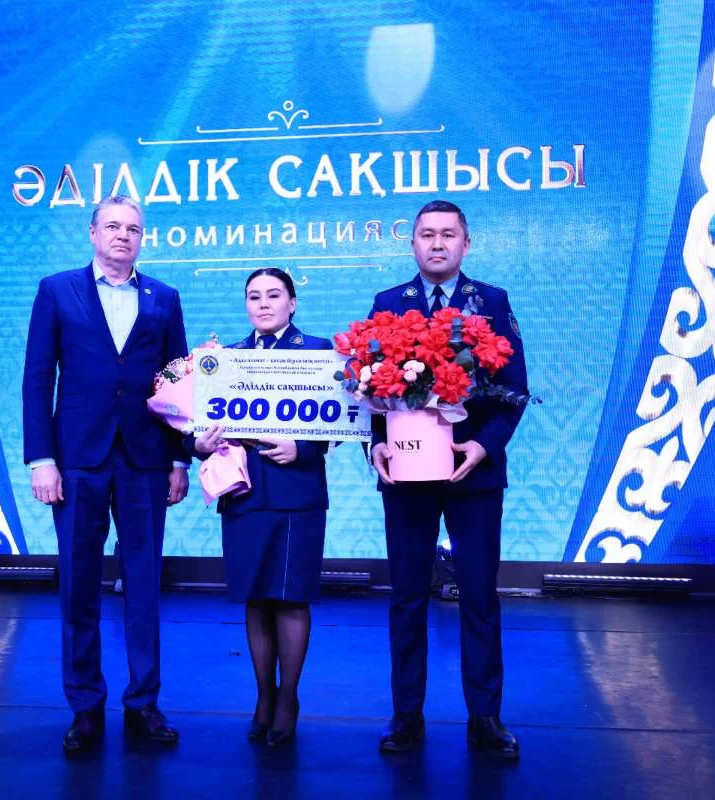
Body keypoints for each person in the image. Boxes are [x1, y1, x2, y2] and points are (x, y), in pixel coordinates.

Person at [22, 195, 190, 752]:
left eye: (133, 229)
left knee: (144, 585)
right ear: (92, 233)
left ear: (142, 238)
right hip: (76, 460)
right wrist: (41, 459)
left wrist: (179, 459)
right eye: (113, 226)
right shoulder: (56, 290)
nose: (123, 235)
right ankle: (85, 706)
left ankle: (143, 704)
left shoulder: (165, 298)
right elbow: (37, 378)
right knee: (78, 585)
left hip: (146, 460)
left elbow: (178, 383)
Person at [368, 200, 528, 760]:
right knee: (407, 597)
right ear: (412, 243)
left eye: (448, 234)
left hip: (473, 475)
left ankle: (485, 716)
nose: (437, 244)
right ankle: (406, 715)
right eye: (427, 235)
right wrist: (375, 444)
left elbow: (515, 391)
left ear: (466, 243)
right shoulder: (388, 304)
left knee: (479, 594)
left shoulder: (493, 302)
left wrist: (482, 445)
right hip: (407, 475)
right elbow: (368, 389)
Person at [192, 268, 332, 747]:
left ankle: (288, 698)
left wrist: (304, 447)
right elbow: (201, 427)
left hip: (297, 493)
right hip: (244, 494)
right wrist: (198, 444)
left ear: (293, 303)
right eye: (254, 297)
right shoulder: (224, 359)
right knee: (255, 597)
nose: (264, 304)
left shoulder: (319, 353)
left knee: (290, 597)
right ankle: (264, 697)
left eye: (274, 295)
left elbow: (341, 422)